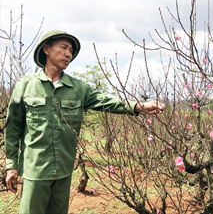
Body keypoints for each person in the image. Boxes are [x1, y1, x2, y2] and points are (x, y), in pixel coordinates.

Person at [4, 30, 164, 214]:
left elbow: (108, 102)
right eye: (63, 47)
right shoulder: (24, 85)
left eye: (71, 50)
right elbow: (13, 127)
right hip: (35, 169)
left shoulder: (78, 88)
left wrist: (138, 106)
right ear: (46, 49)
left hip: (64, 170)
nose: (68, 54)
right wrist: (11, 166)